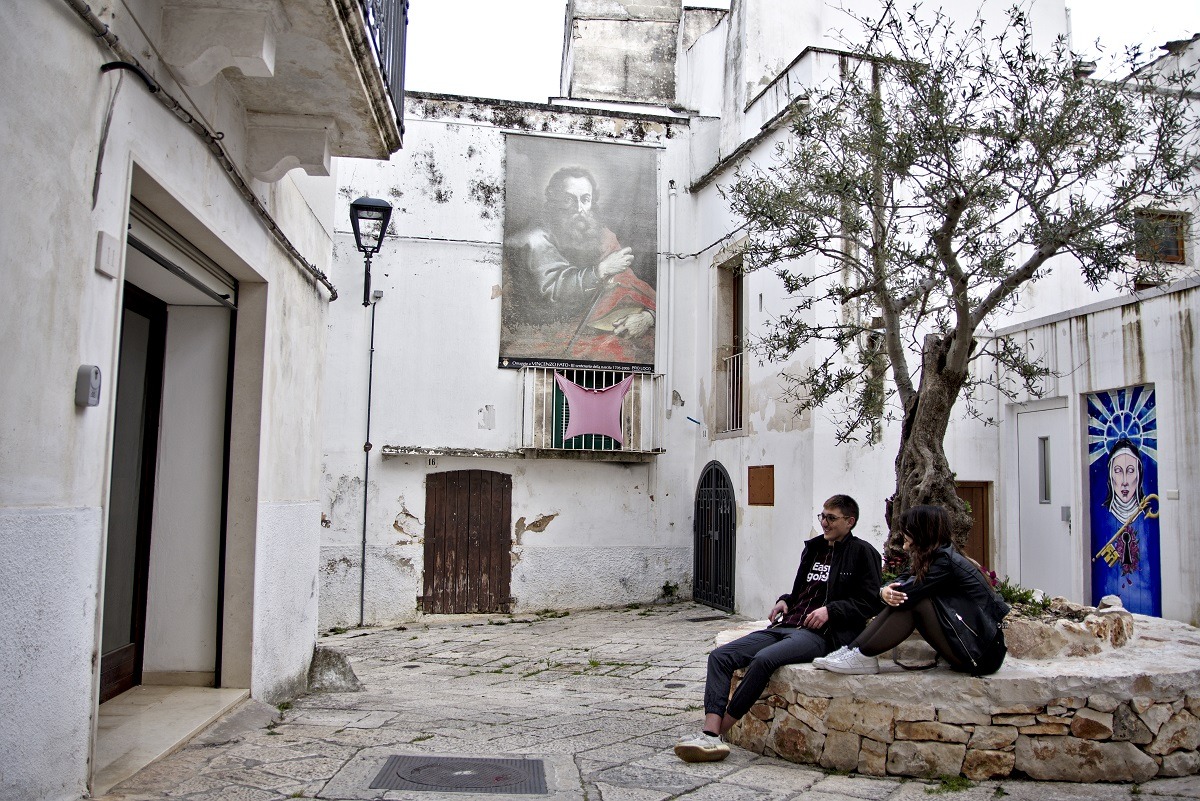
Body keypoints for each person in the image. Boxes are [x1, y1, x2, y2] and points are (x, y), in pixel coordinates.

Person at [673, 494, 883, 763]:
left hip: (820, 635)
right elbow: (802, 591)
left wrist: (832, 611)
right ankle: (710, 732)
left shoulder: (863, 553)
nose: (825, 523)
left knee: (764, 660)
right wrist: (785, 600)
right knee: (720, 657)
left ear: (850, 521)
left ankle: (716, 736)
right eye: (822, 516)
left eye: (832, 518)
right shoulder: (814, 548)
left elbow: (869, 603)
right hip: (788, 624)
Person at [814, 504, 1010, 676]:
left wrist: (889, 592)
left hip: (981, 653)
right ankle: (854, 651)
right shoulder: (933, 556)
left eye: (907, 530)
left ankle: (861, 655)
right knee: (904, 597)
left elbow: (908, 591)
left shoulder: (944, 562)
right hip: (972, 646)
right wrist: (884, 591)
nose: (903, 535)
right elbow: (902, 581)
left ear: (921, 532)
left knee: (912, 601)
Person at [504, 166, 655, 363]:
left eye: (585, 199)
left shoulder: (600, 236)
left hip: (596, 326)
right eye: (568, 200)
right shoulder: (533, 240)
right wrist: (602, 270)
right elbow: (555, 286)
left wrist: (649, 316)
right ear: (553, 199)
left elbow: (628, 285)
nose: (579, 208)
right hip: (550, 333)